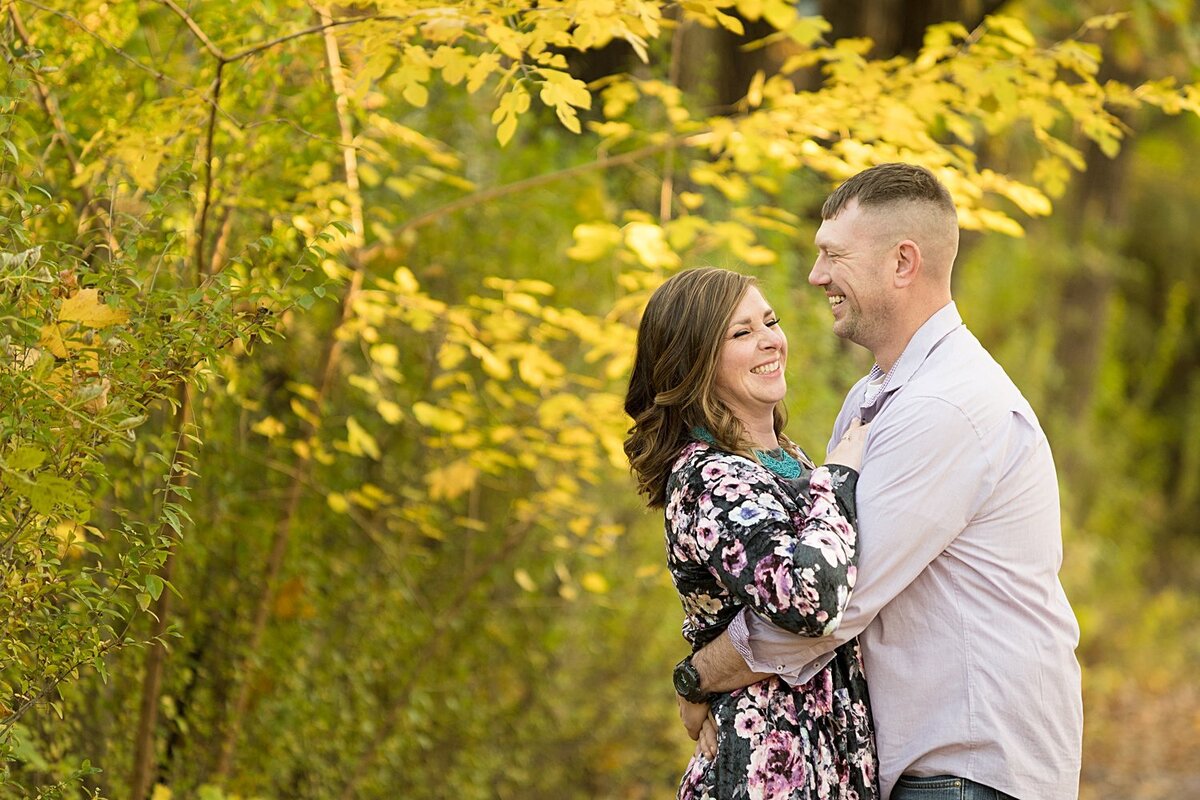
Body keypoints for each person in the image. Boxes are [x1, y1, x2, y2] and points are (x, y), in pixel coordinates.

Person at [679, 163, 1083, 800]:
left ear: (903, 262)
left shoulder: (944, 405)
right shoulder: (877, 397)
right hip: (921, 769)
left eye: (833, 255)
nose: (816, 276)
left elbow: (831, 605)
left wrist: (700, 673)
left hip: (963, 769)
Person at [624, 266, 879, 799]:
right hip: (766, 766)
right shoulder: (709, 477)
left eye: (770, 321)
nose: (771, 341)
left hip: (829, 759)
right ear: (695, 363)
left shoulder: (784, 458)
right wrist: (840, 477)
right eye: (741, 333)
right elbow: (809, 601)